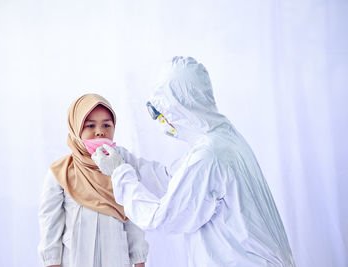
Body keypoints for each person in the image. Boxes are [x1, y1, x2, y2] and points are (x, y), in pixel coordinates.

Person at [92, 57, 295, 266]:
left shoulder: (208, 157)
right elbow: (174, 180)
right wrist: (125, 159)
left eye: (162, 112)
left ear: (178, 107)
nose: (162, 121)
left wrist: (120, 174)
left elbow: (161, 218)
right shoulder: (223, 137)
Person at [38, 94, 148, 267]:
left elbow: (134, 219)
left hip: (117, 260)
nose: (100, 131)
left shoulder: (122, 169)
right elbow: (50, 225)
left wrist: (139, 260)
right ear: (76, 128)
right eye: (90, 125)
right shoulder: (61, 172)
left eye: (106, 124)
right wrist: (52, 262)